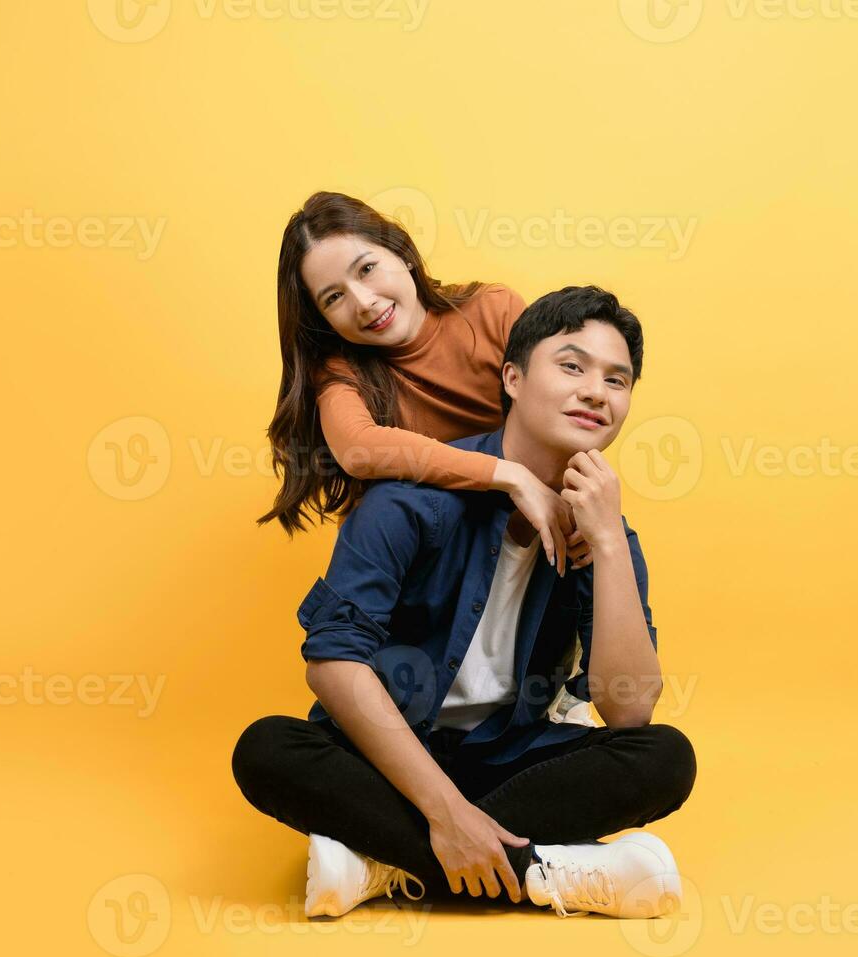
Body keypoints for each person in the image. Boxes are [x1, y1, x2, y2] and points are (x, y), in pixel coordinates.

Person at [233, 286, 696, 918]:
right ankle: (545, 872)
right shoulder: (409, 501)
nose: (596, 391)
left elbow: (630, 707)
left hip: (508, 758)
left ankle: (384, 865)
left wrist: (610, 543)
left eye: (617, 380)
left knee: (665, 757)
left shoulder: (605, 527)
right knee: (268, 748)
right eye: (571, 366)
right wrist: (445, 812)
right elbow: (333, 662)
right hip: (389, 757)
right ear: (512, 376)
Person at [258, 190, 589, 575]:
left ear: (401, 252)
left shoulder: (492, 311)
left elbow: (561, 409)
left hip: (532, 548)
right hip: (426, 574)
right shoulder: (341, 370)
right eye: (334, 297)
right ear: (323, 319)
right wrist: (509, 476)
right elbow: (358, 448)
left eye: (366, 269)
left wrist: (581, 502)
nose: (363, 302)